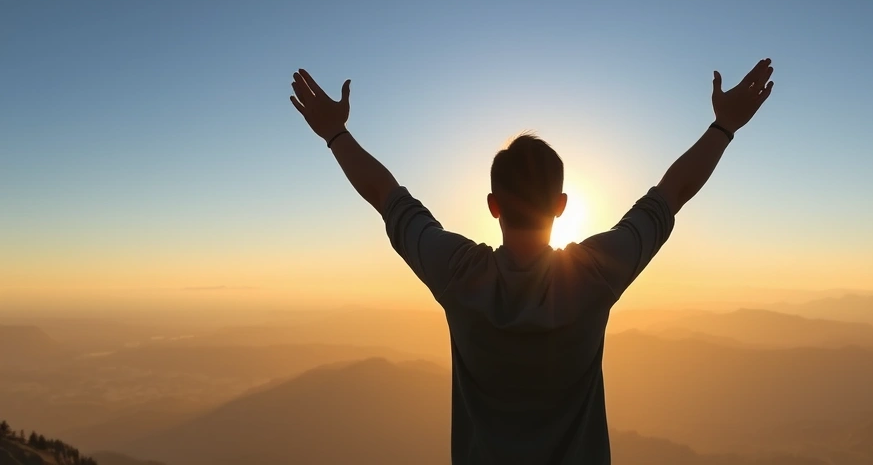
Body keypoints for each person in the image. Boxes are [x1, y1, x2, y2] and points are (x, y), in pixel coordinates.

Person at [288, 59, 775, 464]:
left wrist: (336, 134)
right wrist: (723, 127)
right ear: (561, 206)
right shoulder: (593, 275)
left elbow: (386, 196)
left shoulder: (457, 273)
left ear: (492, 205)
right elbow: (671, 194)